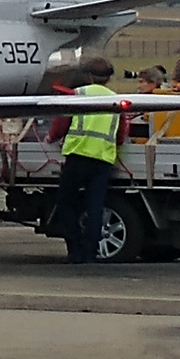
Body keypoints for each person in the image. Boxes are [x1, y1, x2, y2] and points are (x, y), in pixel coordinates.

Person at [46, 57, 127, 264]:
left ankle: (75, 248)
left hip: (78, 156)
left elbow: (60, 124)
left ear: (89, 75)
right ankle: (91, 252)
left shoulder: (77, 95)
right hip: (103, 160)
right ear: (109, 79)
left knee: (65, 202)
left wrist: (51, 138)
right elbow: (121, 135)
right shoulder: (117, 100)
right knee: (95, 207)